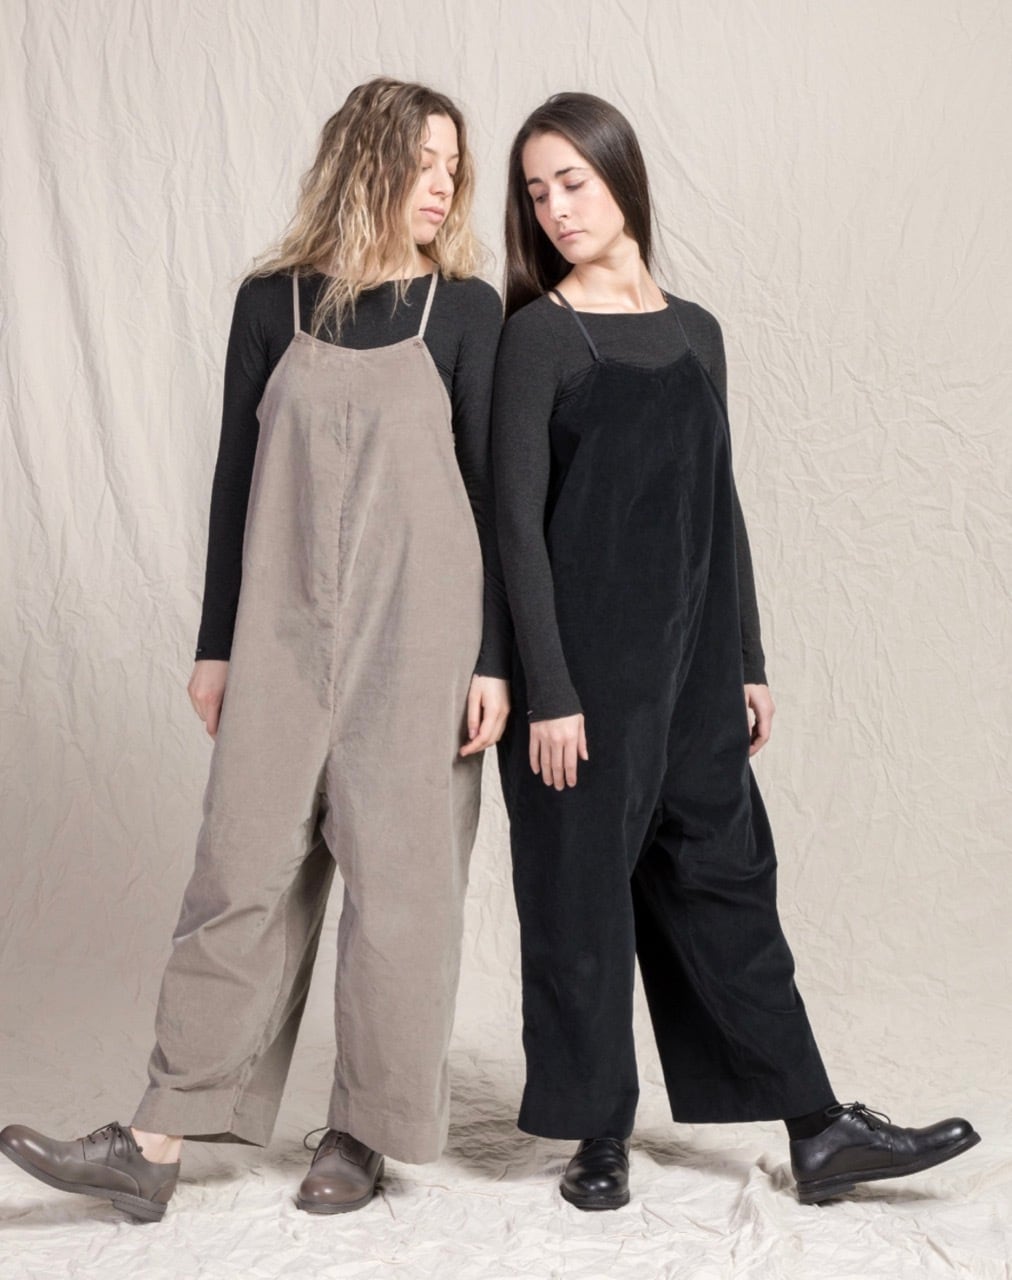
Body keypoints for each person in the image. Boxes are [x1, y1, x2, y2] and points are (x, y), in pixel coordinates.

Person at [0, 77, 510, 1222]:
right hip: (279, 627)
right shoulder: (270, 302)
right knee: (238, 870)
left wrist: (495, 660)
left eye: (453, 167)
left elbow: (494, 495)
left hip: (423, 637)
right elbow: (235, 478)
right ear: (366, 161)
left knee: (403, 888)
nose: (443, 184)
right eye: (423, 161)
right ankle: (154, 1140)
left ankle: (365, 1130)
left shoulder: (466, 312)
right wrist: (216, 643)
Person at [492, 91, 978, 1211]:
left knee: (726, 888)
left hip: (695, 667)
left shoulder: (697, 330)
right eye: (536, 192)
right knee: (582, 901)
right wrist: (549, 690)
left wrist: (747, 657)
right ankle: (596, 1134)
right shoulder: (539, 336)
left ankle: (818, 1129)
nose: (556, 208)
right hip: (583, 681)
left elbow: (721, 505)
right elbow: (514, 526)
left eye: (572, 181)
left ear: (621, 177)